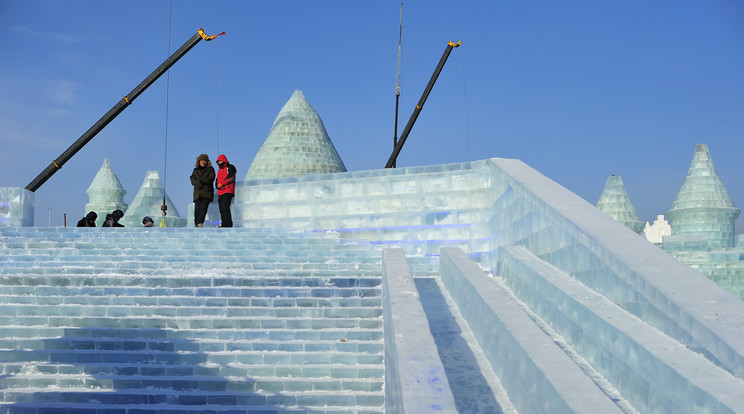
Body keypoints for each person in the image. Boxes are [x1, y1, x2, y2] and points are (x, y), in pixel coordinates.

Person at [190, 153, 216, 228]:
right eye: (201, 160)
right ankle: (196, 224)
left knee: (203, 208)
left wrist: (203, 181)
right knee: (197, 208)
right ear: (199, 161)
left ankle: (200, 222)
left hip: (207, 192)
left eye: (204, 160)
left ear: (207, 162)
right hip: (197, 193)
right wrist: (197, 183)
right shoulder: (195, 170)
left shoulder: (211, 169)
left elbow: (212, 178)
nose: (203, 162)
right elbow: (192, 179)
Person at [215, 154, 236, 227]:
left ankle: (228, 224)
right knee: (221, 209)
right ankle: (224, 224)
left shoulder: (230, 167)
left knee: (225, 207)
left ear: (224, 160)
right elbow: (217, 181)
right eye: (218, 161)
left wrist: (221, 183)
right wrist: (217, 186)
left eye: (220, 160)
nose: (219, 162)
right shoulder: (219, 171)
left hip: (228, 190)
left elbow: (231, 178)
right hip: (220, 192)